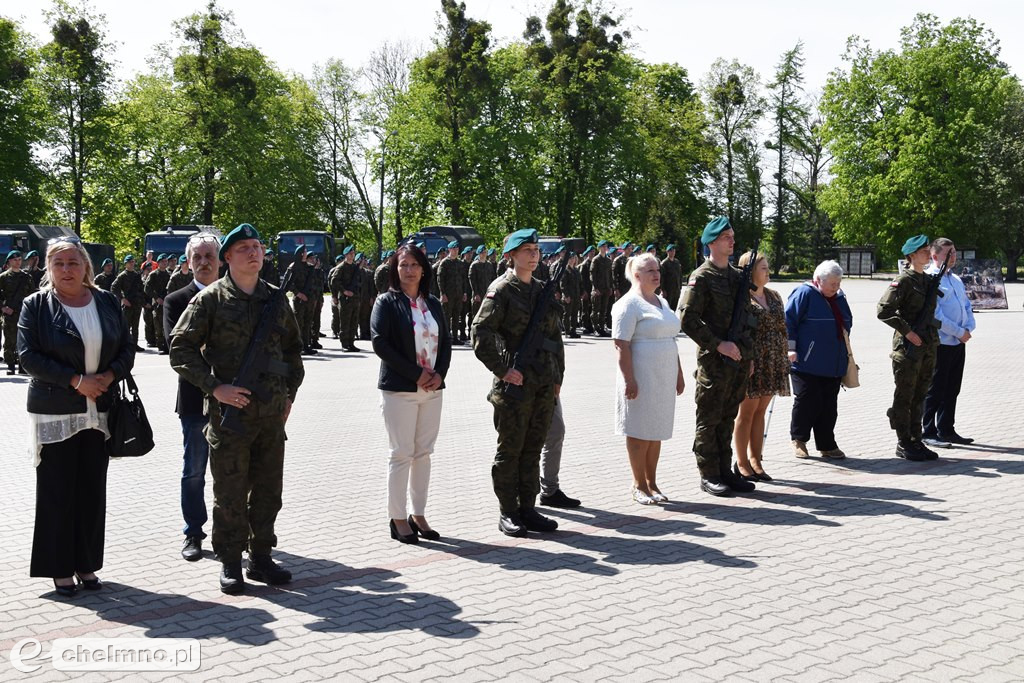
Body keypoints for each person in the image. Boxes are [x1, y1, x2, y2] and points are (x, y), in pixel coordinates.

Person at [170, 223, 305, 594]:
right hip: (230, 419)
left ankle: (261, 556)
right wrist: (216, 388)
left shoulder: (277, 300)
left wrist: (289, 395)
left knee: (268, 491)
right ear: (227, 257)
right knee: (229, 493)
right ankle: (231, 561)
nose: (253, 253)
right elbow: (179, 350)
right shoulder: (210, 300)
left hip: (272, 417)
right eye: (243, 248)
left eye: (257, 247)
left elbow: (294, 352)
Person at [18, 237, 135, 597]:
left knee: (90, 491)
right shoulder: (36, 306)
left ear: (86, 265)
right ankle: (60, 569)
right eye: (59, 264)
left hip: (100, 410)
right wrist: (76, 381)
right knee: (57, 492)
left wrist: (108, 376)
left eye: (73, 262)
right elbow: (28, 356)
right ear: (49, 269)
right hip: (56, 411)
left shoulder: (106, 301)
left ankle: (86, 564)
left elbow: (127, 348)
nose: (67, 270)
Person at [473, 228, 563, 537]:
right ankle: (508, 511)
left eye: (536, 249)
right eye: (526, 249)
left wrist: (557, 378)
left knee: (533, 448)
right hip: (514, 385)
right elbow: (480, 333)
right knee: (510, 450)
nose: (534, 254)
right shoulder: (501, 289)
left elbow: (555, 337)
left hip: (542, 383)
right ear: (511, 256)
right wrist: (501, 369)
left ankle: (528, 507)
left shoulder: (542, 290)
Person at [371, 245, 453, 544]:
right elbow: (381, 344)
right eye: (403, 265)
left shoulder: (432, 303)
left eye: (414, 264)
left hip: (432, 390)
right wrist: (417, 374)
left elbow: (445, 341)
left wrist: (439, 374)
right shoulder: (387, 302)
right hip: (400, 389)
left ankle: (418, 513)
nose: (409, 270)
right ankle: (397, 517)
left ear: (423, 269)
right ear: (395, 269)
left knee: (423, 454)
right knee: (401, 454)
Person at [679, 217, 757, 497]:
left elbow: (747, 320)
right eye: (725, 237)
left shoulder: (737, 277)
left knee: (728, 417)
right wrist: (717, 345)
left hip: (737, 362)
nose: (732, 241)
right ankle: (709, 474)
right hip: (714, 363)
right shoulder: (702, 277)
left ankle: (726, 471)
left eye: (732, 236)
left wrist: (749, 357)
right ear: (711, 243)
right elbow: (688, 320)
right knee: (709, 419)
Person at [163, 233, 221, 562]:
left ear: (220, 259)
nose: (203, 262)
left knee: (234, 471)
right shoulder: (175, 300)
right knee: (194, 471)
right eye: (197, 257)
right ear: (188, 263)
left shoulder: (236, 296)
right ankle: (194, 532)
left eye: (209, 255)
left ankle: (232, 534)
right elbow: (178, 350)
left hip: (234, 400)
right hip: (194, 399)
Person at [612, 252, 685, 504]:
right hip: (641, 376)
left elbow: (670, 339)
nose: (656, 274)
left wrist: (679, 373)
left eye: (657, 270)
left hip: (663, 376)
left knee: (656, 430)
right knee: (639, 430)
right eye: (650, 270)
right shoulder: (628, 304)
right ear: (636, 275)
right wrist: (629, 379)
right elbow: (621, 345)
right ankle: (638, 484)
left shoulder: (662, 302)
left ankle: (652, 483)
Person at [877, 235, 942, 461]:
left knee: (920, 394)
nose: (927, 253)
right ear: (912, 255)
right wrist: (908, 332)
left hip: (927, 346)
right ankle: (903, 441)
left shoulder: (928, 280)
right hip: (908, 348)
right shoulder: (904, 281)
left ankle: (916, 439)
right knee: (905, 395)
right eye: (923, 250)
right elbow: (883, 310)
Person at [784, 260, 853, 465]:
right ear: (817, 280)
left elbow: (847, 322)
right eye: (832, 283)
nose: (836, 287)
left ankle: (827, 445)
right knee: (807, 402)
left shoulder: (839, 297)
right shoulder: (804, 293)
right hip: (805, 361)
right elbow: (789, 321)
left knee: (829, 406)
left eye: (838, 283)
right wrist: (790, 348)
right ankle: (798, 439)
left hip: (832, 362)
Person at [732, 253, 792, 481]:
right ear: (749, 270)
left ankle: (756, 459)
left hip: (773, 362)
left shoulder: (774, 295)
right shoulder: (742, 299)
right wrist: (747, 359)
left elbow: (783, 328)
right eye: (763, 268)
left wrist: (785, 355)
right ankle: (741, 462)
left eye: (768, 267)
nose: (767, 272)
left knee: (760, 412)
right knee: (746, 413)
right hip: (752, 363)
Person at [922, 238, 976, 447]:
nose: (953, 257)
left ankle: (946, 428)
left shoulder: (956, 280)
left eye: (954, 252)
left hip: (959, 342)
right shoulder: (930, 279)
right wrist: (958, 331)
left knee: (952, 387)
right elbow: (936, 315)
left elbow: (966, 305)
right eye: (948, 253)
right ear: (935, 256)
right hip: (941, 342)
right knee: (935, 388)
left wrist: (969, 327)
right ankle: (928, 431)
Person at [0, 250, 36, 375]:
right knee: (10, 340)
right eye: (15, 260)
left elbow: (32, 295)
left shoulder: (27, 277)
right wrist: (3, 308)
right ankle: (10, 365)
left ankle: (22, 365)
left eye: (19, 259)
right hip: (10, 314)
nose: (18, 262)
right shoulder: (3, 277)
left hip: (24, 313)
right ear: (9, 261)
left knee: (23, 340)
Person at [330, 246, 362, 352]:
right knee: (345, 322)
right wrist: (343, 291)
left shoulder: (354, 267)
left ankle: (351, 343)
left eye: (353, 253)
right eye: (350, 254)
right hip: (345, 299)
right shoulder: (341, 267)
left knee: (354, 321)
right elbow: (334, 281)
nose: (352, 255)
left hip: (355, 298)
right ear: (346, 255)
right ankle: (344, 344)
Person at [286, 246, 316, 355]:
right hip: (299, 299)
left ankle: (306, 345)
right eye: (304, 252)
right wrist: (298, 294)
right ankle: (298, 346)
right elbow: (289, 283)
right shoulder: (294, 266)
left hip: (309, 298)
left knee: (308, 322)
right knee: (299, 323)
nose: (305, 253)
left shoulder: (309, 267)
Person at [111, 254, 145, 352]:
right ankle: (125, 345)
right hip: (128, 304)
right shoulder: (122, 276)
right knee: (126, 326)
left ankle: (134, 344)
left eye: (133, 262)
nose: (132, 264)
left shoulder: (136, 275)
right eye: (130, 262)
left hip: (136, 304)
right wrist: (122, 299)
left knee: (135, 326)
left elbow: (141, 289)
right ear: (126, 264)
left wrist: (143, 302)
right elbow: (114, 287)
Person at [144, 254, 171, 355]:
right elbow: (147, 288)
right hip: (157, 304)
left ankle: (166, 345)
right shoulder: (153, 274)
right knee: (158, 325)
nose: (165, 263)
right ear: (158, 263)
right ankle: (160, 346)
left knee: (166, 325)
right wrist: (156, 298)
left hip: (166, 302)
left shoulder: (168, 275)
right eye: (163, 261)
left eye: (166, 261)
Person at [589, 241, 613, 336]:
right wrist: (595, 288)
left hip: (606, 288)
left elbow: (610, 276)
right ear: (599, 248)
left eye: (605, 246)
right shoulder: (596, 260)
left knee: (604, 310)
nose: (604, 248)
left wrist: (611, 287)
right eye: (602, 246)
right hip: (598, 289)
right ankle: (595, 328)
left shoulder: (608, 260)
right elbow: (592, 275)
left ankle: (602, 328)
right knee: (596, 310)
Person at [660, 244, 683, 312]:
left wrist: (680, 287)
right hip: (668, 289)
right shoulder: (664, 263)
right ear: (667, 252)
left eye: (674, 251)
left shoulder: (677, 262)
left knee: (674, 308)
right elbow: (662, 277)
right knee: (667, 308)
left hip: (676, 289)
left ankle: (672, 321)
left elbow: (680, 275)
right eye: (671, 251)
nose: (673, 253)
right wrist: (663, 290)